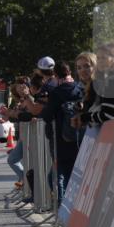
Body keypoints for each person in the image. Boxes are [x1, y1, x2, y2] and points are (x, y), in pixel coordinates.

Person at [41, 62, 84, 201]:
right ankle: (73, 204)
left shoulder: (57, 92)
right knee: (74, 174)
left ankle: (62, 206)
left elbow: (47, 115)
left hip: (61, 139)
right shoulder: (80, 88)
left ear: (56, 75)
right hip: (80, 137)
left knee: (59, 174)